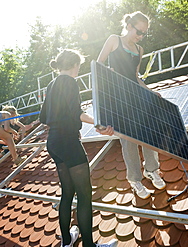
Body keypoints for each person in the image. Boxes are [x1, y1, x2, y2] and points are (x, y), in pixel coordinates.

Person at [40, 49, 117, 247]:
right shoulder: (70, 82)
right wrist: (98, 123)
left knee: (67, 192)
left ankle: (67, 242)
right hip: (68, 142)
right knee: (84, 195)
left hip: (54, 142)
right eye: (79, 66)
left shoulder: (52, 84)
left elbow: (42, 118)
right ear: (74, 65)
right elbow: (75, 112)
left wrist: (64, 124)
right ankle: (90, 246)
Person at [97, 11, 166, 199]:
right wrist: (107, 74)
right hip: (118, 99)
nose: (141, 36)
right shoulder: (114, 40)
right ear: (128, 25)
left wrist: (150, 92)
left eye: (144, 33)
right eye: (139, 31)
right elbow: (98, 65)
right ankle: (135, 179)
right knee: (129, 140)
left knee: (148, 134)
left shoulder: (140, 50)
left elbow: (136, 77)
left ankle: (151, 170)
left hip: (136, 97)